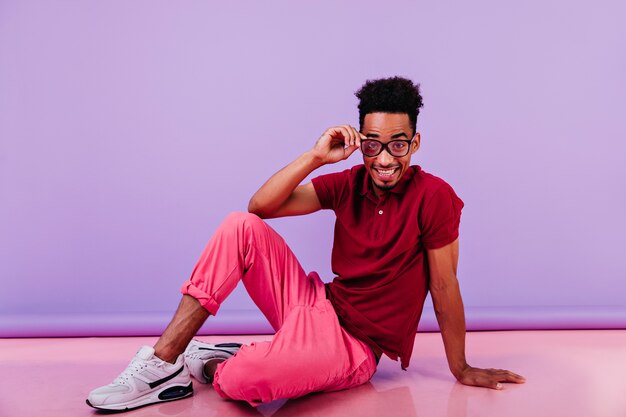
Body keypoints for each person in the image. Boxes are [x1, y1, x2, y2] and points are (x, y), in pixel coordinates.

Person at [86, 76, 525, 411]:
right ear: (361, 143)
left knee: (243, 383)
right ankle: (165, 363)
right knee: (239, 224)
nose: (386, 158)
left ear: (415, 143)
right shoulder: (347, 183)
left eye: (398, 144)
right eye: (373, 145)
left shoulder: (434, 197)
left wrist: (461, 367)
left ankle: (222, 361)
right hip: (316, 305)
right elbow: (261, 206)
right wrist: (316, 156)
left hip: (354, 346)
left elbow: (445, 286)